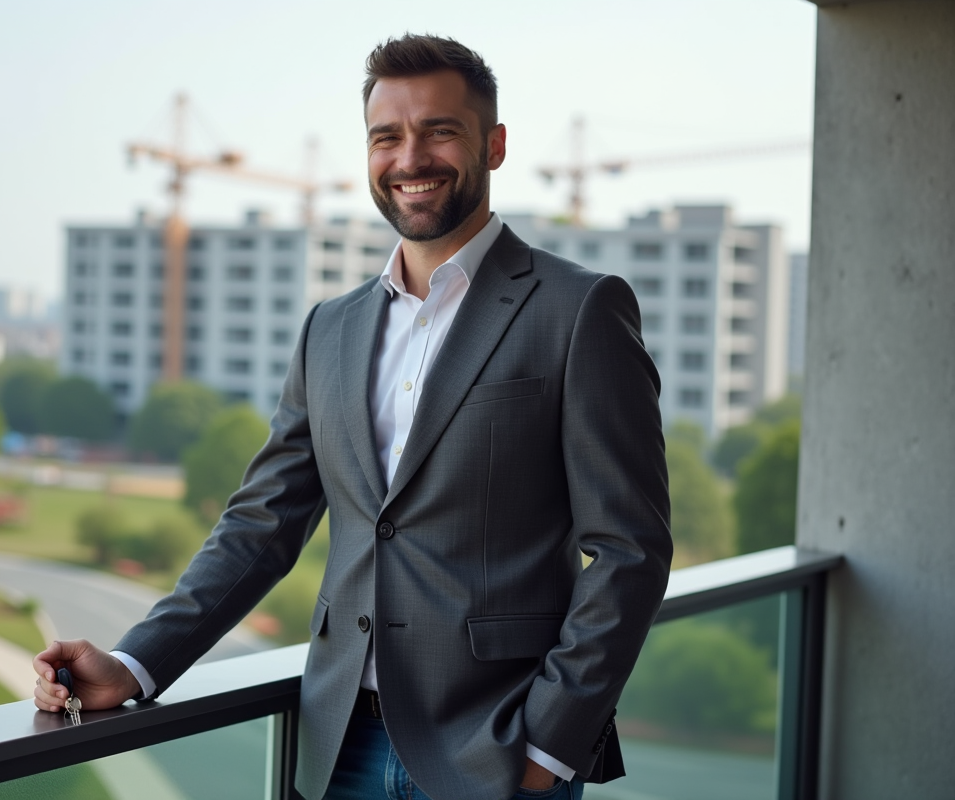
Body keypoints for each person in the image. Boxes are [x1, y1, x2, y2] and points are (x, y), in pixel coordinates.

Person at [33, 34, 671, 800]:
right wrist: (136, 663)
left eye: (440, 130)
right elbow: (261, 525)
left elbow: (630, 550)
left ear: (493, 145)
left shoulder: (579, 310)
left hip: (497, 751)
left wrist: (549, 745)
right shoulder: (328, 330)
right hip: (337, 747)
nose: (411, 158)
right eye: (386, 136)